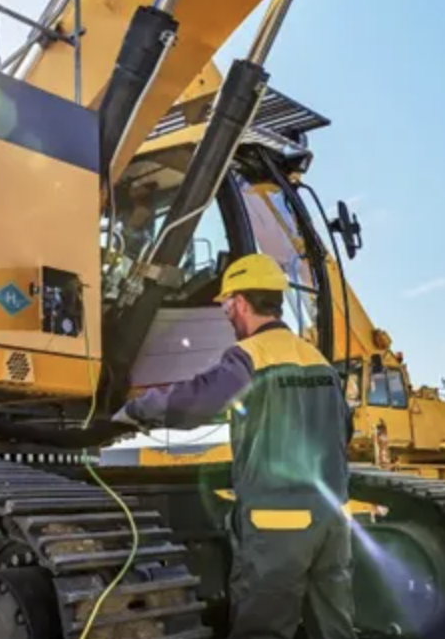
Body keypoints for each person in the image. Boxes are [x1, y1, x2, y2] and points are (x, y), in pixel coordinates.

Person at [112, 252, 354, 639]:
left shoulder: (250, 356)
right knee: (334, 627)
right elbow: (344, 430)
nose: (226, 314)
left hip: (277, 524)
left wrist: (138, 410)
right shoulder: (319, 361)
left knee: (263, 629)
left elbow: (197, 400)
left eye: (226, 305)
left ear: (240, 302)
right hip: (332, 522)